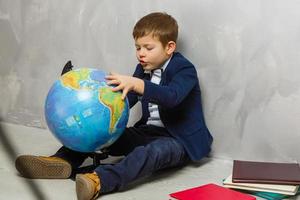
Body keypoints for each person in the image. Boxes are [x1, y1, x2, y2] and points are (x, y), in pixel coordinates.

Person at [15, 12, 213, 200]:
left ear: (169, 47)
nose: (141, 54)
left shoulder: (184, 69)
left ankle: (99, 181)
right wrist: (96, 98)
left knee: (151, 153)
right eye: (138, 47)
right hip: (146, 132)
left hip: (178, 140)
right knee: (100, 133)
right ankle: (62, 160)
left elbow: (172, 97)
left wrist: (137, 84)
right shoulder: (144, 68)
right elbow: (128, 99)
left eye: (148, 48)